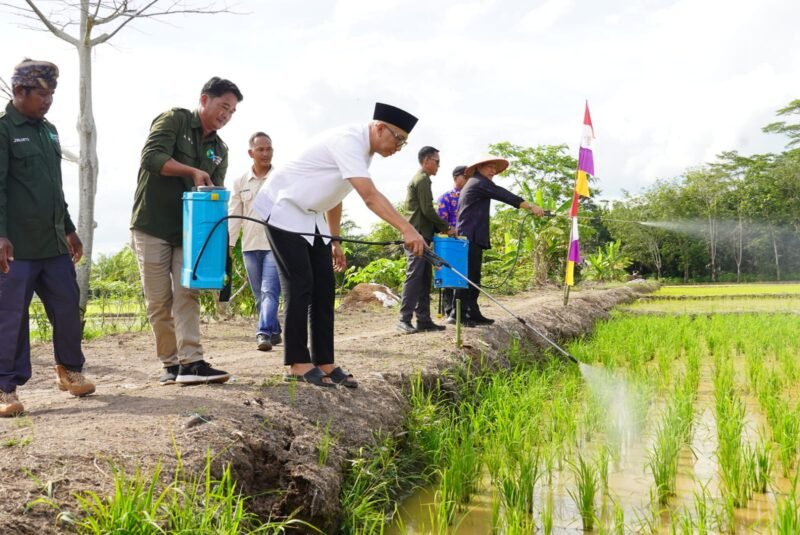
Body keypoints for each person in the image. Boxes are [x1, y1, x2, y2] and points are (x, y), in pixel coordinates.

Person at [253, 102, 425, 388]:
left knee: (324, 287)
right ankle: (296, 362)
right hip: (284, 207)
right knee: (300, 283)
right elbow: (370, 196)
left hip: (312, 216)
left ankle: (324, 360)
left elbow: (335, 194)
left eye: (403, 143)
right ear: (379, 128)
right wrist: (407, 229)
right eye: (398, 139)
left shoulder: (364, 152)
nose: (398, 147)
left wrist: (334, 240)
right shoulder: (349, 141)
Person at [130, 77, 243, 386]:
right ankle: (170, 364)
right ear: (204, 99)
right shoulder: (174, 120)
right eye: (223, 106)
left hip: (189, 232)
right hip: (152, 224)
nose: (226, 115)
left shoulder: (220, 149)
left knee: (187, 293)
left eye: (232, 111)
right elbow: (151, 157)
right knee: (159, 300)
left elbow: (215, 192)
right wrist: (191, 171)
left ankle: (192, 362)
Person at [0, 59, 95, 417]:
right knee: (10, 317)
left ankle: (69, 370)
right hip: (17, 247)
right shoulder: (4, 130)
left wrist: (69, 229)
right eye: (42, 94)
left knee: (68, 306)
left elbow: (54, 189)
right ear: (19, 91)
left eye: (52, 94)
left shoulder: (49, 131)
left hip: (52, 243)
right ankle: (5, 388)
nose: (48, 101)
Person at [453, 154, 543, 326]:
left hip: (474, 235)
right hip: (468, 236)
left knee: (474, 276)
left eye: (495, 168)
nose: (493, 171)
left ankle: (472, 311)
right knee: (467, 276)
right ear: (479, 167)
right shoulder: (479, 182)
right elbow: (504, 195)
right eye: (490, 167)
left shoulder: (478, 183)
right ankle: (457, 314)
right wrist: (531, 206)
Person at [228, 132, 282, 352]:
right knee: (259, 294)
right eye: (261, 149)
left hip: (275, 246)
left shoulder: (281, 178)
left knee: (269, 291)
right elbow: (234, 214)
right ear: (251, 153)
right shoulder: (240, 182)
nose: (266, 153)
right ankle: (274, 331)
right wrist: (229, 245)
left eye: (269, 149)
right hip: (249, 246)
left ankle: (263, 332)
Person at [397, 146, 454, 334]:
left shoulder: (423, 179)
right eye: (437, 161)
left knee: (423, 278)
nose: (439, 165)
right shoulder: (421, 180)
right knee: (414, 276)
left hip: (423, 235)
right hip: (416, 235)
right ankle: (404, 319)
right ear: (427, 160)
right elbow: (427, 210)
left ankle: (423, 319)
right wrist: (446, 227)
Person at [436, 164, 467, 318]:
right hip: (450, 243)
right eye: (465, 176)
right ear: (456, 178)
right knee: (449, 274)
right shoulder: (446, 197)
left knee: (463, 276)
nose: (468, 180)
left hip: (466, 242)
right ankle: (449, 310)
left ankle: (461, 310)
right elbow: (441, 221)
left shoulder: (470, 196)